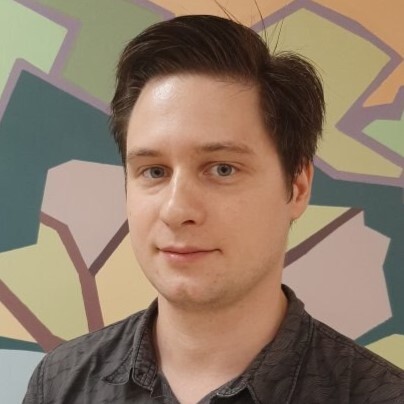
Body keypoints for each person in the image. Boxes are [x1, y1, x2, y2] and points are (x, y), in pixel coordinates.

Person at [23, 15, 404, 404]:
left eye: (222, 169)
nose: (176, 210)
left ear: (297, 186)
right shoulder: (60, 384)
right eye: (154, 171)